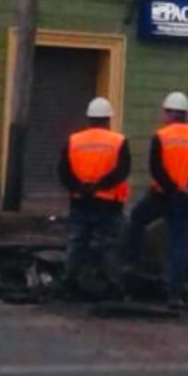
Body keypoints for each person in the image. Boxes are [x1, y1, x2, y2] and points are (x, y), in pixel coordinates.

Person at [125, 91, 188, 308]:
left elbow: (156, 168)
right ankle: (174, 292)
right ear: (186, 114)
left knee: (136, 220)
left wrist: (172, 187)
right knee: (179, 244)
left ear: (168, 113)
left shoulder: (162, 136)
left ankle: (132, 271)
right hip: (187, 199)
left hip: (162, 195)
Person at [56, 97, 131, 298]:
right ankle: (115, 287)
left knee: (77, 242)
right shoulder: (118, 141)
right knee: (108, 244)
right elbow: (122, 171)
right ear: (108, 119)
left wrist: (81, 187)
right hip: (108, 202)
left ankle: (68, 284)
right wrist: (99, 186)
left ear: (89, 118)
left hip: (80, 201)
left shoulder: (74, 141)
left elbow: (63, 171)